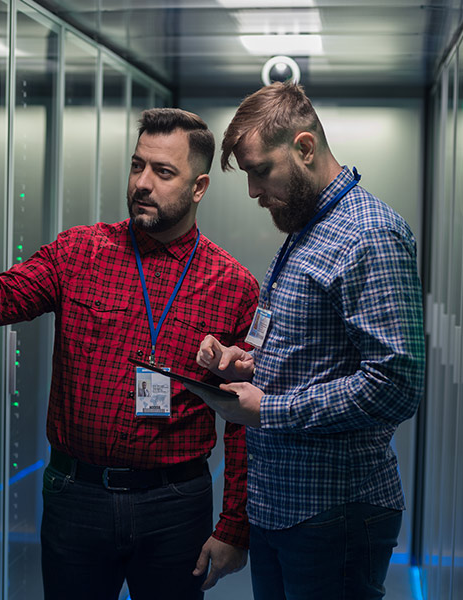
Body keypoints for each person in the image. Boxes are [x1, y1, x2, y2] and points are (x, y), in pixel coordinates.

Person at [0, 108, 261, 599]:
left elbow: (244, 417)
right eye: (137, 165)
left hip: (175, 502)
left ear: (199, 186)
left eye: (163, 172)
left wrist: (233, 527)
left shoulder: (233, 285)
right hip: (77, 495)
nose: (143, 183)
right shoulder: (80, 251)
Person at [183, 82, 425, 600]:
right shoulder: (306, 229)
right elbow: (303, 353)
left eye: (258, 170)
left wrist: (270, 409)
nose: (251, 190)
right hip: (280, 507)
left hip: (334, 513)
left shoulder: (369, 234)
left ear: (305, 148)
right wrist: (240, 362)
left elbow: (396, 384)